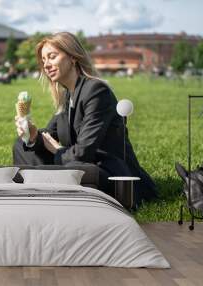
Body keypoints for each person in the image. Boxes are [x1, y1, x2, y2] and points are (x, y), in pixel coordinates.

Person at [12, 32, 157, 205]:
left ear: (73, 57)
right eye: (44, 60)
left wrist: (58, 150)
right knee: (21, 145)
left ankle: (46, 191)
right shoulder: (68, 96)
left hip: (107, 170)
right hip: (79, 163)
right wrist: (33, 135)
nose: (46, 65)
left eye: (52, 57)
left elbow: (83, 152)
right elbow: (49, 134)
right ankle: (38, 192)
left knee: (76, 168)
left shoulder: (96, 91)